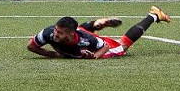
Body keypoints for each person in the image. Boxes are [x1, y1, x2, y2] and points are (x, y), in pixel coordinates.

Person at [26, 6, 171, 59]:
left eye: (60, 33)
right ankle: (94, 24)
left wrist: (95, 56)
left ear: (70, 34)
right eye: (56, 30)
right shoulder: (48, 33)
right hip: (80, 33)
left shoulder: (88, 40)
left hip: (94, 43)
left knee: (123, 45)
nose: (55, 35)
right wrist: (52, 54)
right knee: (81, 31)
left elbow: (105, 46)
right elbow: (30, 46)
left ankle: (153, 15)